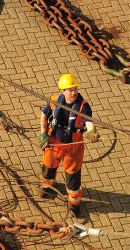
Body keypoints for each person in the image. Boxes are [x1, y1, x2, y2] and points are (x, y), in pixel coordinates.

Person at [37, 74, 98, 217]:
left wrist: (91, 132)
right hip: (54, 143)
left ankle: (74, 203)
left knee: (73, 176)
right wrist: (42, 133)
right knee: (48, 167)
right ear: (62, 91)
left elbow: (89, 122)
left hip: (73, 146)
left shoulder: (83, 106)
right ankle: (47, 187)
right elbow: (44, 115)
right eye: (70, 89)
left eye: (75, 88)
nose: (74, 92)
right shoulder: (54, 102)